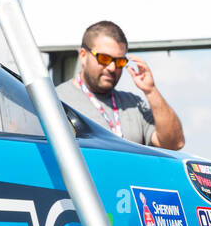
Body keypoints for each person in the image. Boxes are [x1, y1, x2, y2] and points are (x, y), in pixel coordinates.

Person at [55, 20, 184, 149]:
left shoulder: (134, 105)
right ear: (83, 55)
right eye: (104, 58)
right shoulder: (57, 100)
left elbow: (175, 143)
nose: (112, 67)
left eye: (119, 61)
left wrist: (150, 91)